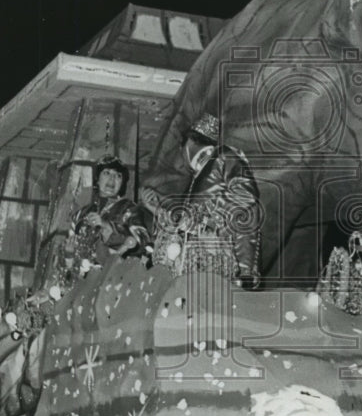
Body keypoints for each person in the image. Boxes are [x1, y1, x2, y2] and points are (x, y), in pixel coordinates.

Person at [153, 113, 262, 289]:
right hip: (196, 264)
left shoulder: (224, 156)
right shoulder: (197, 177)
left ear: (189, 143)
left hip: (221, 261)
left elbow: (246, 194)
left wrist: (206, 218)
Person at [66, 155, 150, 274]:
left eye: (118, 176)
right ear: (97, 179)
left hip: (116, 279)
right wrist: (69, 254)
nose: (112, 179)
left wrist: (108, 227)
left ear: (122, 182)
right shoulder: (81, 214)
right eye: (107, 173)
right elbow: (71, 254)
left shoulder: (129, 209)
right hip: (83, 281)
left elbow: (143, 242)